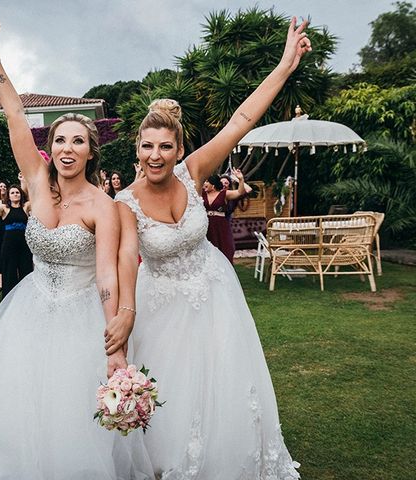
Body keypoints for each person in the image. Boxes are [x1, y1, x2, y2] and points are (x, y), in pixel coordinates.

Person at [0, 12, 152, 479]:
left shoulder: (102, 208)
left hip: (79, 320)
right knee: (14, 416)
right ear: (52, 147)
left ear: (91, 151)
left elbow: (107, 274)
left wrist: (115, 346)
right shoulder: (37, 185)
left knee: (68, 420)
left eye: (78, 141)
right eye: (60, 139)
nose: (67, 148)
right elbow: (13, 112)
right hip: (27, 314)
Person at [111, 17, 310, 479]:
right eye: (147, 147)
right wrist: (125, 313)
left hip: (215, 295)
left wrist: (284, 64)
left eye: (165, 146)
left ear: (179, 147)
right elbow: (124, 259)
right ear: (137, 149)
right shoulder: (125, 202)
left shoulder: (193, 171)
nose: (156, 155)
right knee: (174, 394)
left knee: (226, 384)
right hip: (161, 309)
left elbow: (241, 118)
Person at [0, 184, 33, 298]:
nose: (15, 194)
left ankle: (25, 296)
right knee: (9, 271)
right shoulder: (4, 208)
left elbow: (34, 198)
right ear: (8, 196)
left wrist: (23, 182)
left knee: (26, 269)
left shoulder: (25, 207)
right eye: (12, 193)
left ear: (21, 195)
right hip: (9, 244)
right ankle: (9, 298)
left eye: (17, 192)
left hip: (24, 244)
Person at [202, 170, 246, 263]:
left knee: (225, 249)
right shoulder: (202, 194)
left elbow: (240, 192)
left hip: (221, 225)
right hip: (206, 225)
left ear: (213, 185)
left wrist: (241, 179)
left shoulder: (224, 194)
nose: (204, 183)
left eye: (207, 182)